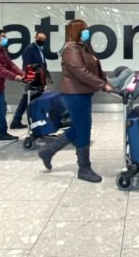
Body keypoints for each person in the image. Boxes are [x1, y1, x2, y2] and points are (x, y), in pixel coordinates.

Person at [38, 19, 112, 183]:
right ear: (77, 30)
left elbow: (96, 67)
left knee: (80, 126)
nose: (87, 31)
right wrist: (102, 85)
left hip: (83, 92)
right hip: (74, 94)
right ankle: (83, 168)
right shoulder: (70, 49)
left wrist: (106, 82)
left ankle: (48, 151)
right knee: (84, 129)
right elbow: (80, 72)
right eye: (84, 29)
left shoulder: (83, 47)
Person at [10, 31, 53, 129]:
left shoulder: (39, 49)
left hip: (39, 79)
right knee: (26, 99)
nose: (41, 41)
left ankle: (24, 120)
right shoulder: (30, 49)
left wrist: (45, 78)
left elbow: (42, 65)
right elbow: (27, 65)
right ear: (35, 37)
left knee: (31, 100)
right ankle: (17, 121)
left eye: (43, 39)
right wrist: (30, 78)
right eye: (40, 38)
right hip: (33, 79)